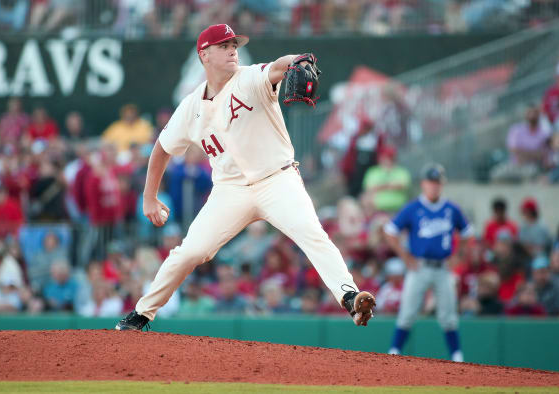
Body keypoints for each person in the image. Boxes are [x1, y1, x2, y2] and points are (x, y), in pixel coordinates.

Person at [116, 24, 375, 331]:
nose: (232, 50)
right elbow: (161, 148)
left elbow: (279, 66)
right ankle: (142, 314)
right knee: (191, 251)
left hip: (277, 180)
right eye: (224, 46)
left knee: (311, 233)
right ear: (204, 55)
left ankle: (350, 297)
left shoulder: (250, 78)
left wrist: (297, 61)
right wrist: (149, 196)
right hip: (230, 191)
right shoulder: (190, 107)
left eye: (234, 45)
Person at [384, 163, 473, 362]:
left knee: (448, 316)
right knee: (407, 313)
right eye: (431, 182)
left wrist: (458, 256)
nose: (434, 186)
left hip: (442, 268)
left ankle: (457, 357)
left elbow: (468, 233)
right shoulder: (414, 207)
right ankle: (394, 352)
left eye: (437, 182)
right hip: (420, 266)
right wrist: (405, 256)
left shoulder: (451, 208)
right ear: (423, 184)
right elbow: (390, 231)